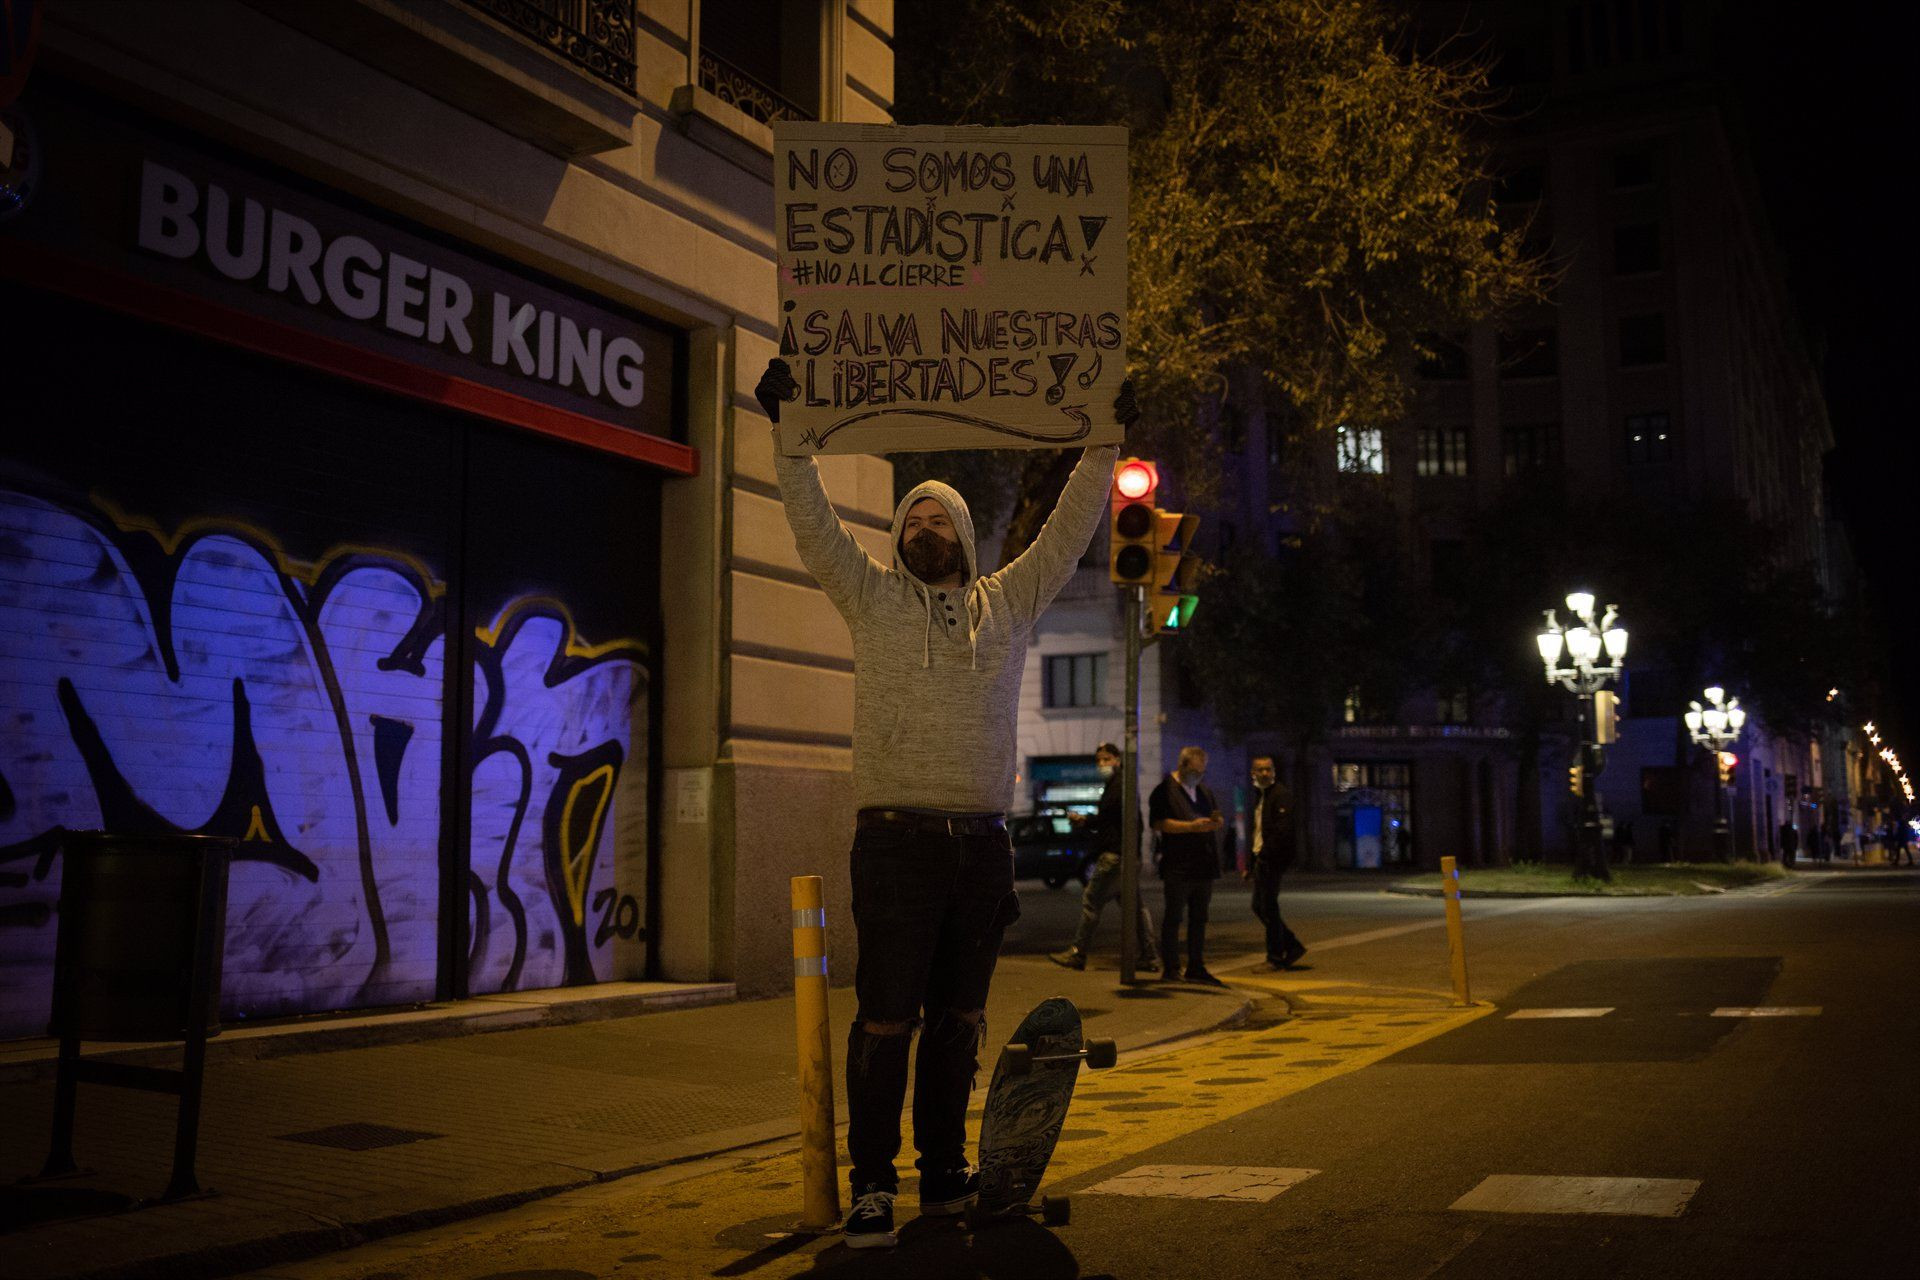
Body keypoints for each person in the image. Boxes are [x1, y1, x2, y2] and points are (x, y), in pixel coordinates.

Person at [756, 357, 1133, 1248]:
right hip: (895, 844)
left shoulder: (1007, 604)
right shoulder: (872, 598)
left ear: (965, 535)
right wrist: (787, 434)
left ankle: (944, 1172)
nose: (925, 528)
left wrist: (1104, 443)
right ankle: (875, 1183)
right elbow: (811, 524)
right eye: (911, 519)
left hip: (983, 847)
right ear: (897, 539)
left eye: (940, 518)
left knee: (961, 1020)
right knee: (888, 1018)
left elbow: (1071, 527)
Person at [1049, 743, 1158, 973]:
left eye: (1106, 759)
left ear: (1117, 759)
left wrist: (1087, 821)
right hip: (1125, 855)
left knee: (1092, 901)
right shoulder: (1119, 785)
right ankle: (1149, 955)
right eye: (1098, 760)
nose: (1102, 764)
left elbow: (1112, 819)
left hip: (1114, 855)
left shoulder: (1119, 785)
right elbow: (1112, 819)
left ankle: (1078, 953)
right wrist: (1087, 821)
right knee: (1135, 906)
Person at [1149, 746, 1225, 985]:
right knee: (1174, 917)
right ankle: (1171, 968)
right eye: (1195, 771)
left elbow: (1214, 813)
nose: (1199, 775)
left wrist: (1215, 822)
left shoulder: (1203, 790)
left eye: (1202, 771)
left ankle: (1196, 965)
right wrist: (1191, 826)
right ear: (1182, 766)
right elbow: (1159, 823)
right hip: (1178, 865)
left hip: (1203, 864)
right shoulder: (1164, 791)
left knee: (1199, 918)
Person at [1243, 755, 1306, 970]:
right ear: (1253, 772)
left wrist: (1266, 856)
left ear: (1274, 772)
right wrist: (1251, 865)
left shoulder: (1281, 795)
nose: (1264, 773)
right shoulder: (1260, 796)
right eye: (1260, 770)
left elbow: (1282, 831)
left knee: (1267, 907)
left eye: (1268, 769)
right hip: (1262, 858)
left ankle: (1275, 957)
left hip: (1272, 859)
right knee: (1260, 906)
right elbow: (1257, 832)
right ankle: (1292, 945)